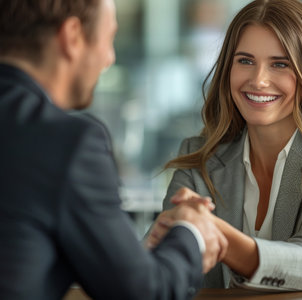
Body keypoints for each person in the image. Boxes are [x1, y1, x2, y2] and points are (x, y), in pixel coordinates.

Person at [147, 0, 302, 291]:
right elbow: (157, 268)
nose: (259, 80)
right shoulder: (202, 157)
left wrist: (213, 233)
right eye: (245, 61)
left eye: (280, 64)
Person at [0, 0, 227, 299]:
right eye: (109, 39)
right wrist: (191, 233)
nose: (109, 59)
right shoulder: (66, 142)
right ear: (73, 36)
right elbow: (143, 293)